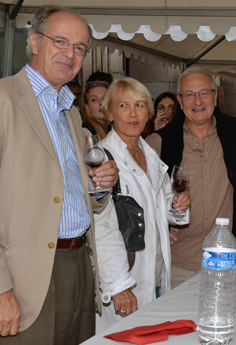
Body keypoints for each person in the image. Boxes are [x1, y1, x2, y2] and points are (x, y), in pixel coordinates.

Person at [0, 5, 119, 344]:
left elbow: (66, 193)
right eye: (60, 41)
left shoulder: (70, 114)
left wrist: (99, 187)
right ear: (35, 42)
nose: (69, 53)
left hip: (79, 267)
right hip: (23, 277)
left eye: (79, 47)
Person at [146, 67, 236, 288]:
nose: (197, 101)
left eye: (204, 92)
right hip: (179, 262)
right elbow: (143, 198)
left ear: (214, 97)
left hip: (228, 257)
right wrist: (159, 228)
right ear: (180, 101)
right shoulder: (158, 142)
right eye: (190, 94)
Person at [96, 78, 190, 331]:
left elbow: (158, 209)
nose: (133, 113)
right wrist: (118, 286)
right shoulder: (102, 160)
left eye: (139, 105)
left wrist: (176, 205)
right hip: (127, 278)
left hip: (157, 273)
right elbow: (100, 229)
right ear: (110, 113)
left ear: (148, 112)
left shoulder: (149, 154)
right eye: (123, 105)